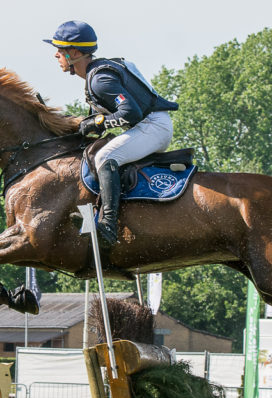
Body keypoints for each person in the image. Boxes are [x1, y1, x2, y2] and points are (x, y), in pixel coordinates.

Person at [43, 20, 178, 249]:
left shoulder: (100, 80)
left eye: (60, 49)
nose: (56, 55)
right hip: (147, 126)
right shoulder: (96, 75)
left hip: (153, 127)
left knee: (104, 157)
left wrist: (101, 122)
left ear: (74, 52)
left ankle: (108, 225)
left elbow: (131, 113)